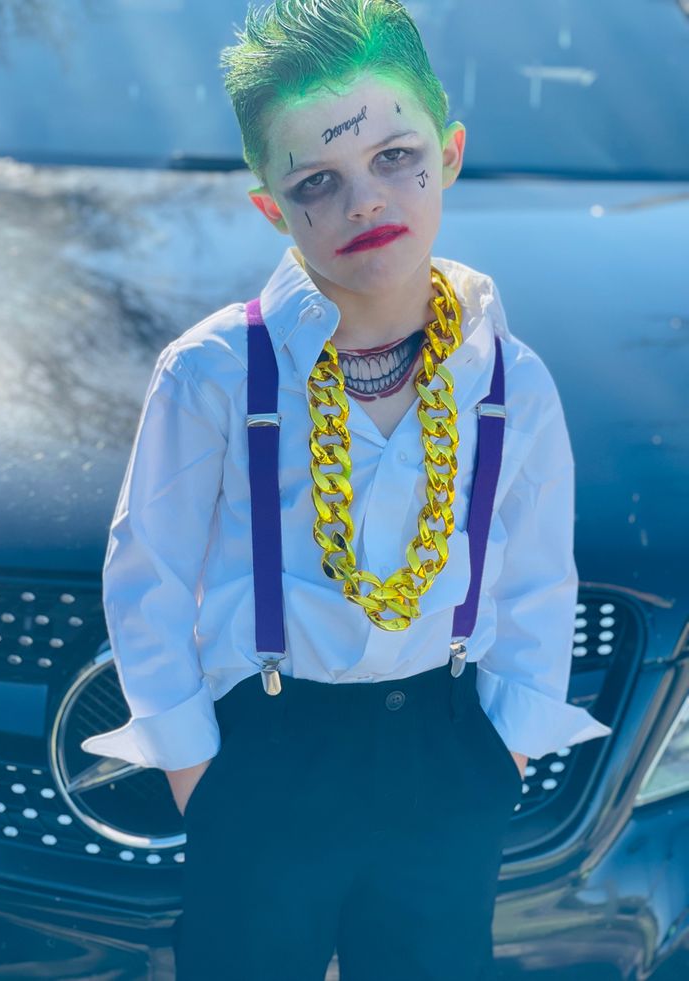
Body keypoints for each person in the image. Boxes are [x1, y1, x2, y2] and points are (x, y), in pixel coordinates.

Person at [81, 1, 613, 978]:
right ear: (273, 209)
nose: (365, 200)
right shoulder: (213, 373)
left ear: (448, 153)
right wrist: (200, 773)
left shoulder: (507, 379)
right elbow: (146, 575)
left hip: (446, 751)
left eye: (395, 156)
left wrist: (507, 754)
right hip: (268, 753)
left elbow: (538, 574)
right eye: (318, 181)